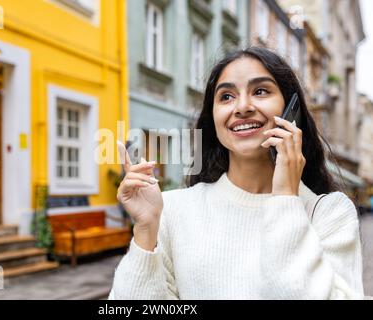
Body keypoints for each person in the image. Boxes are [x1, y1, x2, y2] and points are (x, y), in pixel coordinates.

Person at [109, 47, 364, 300]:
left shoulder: (330, 214)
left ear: (291, 110)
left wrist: (286, 198)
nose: (242, 107)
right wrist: (145, 231)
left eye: (260, 91)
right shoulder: (172, 210)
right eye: (226, 96)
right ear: (213, 116)